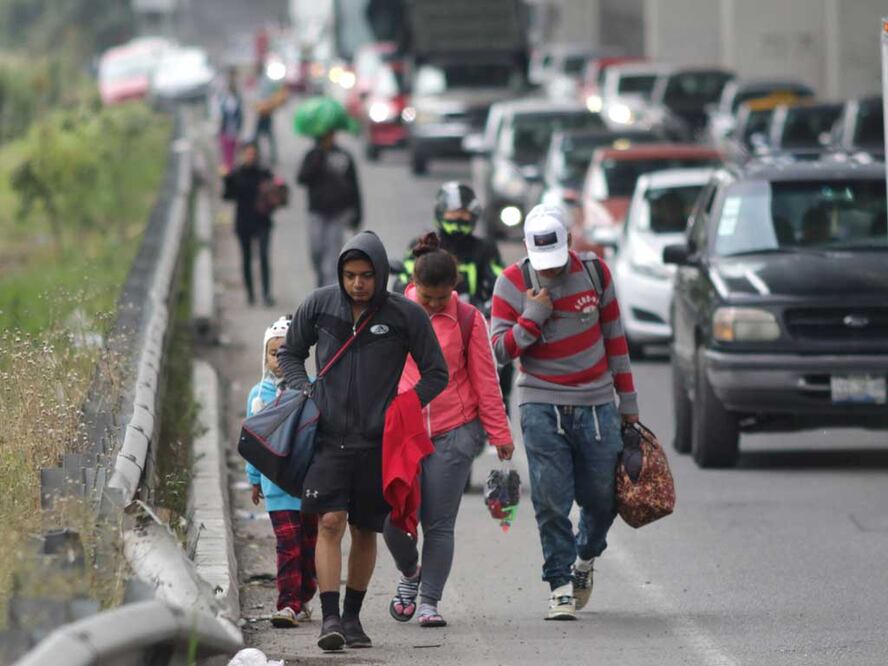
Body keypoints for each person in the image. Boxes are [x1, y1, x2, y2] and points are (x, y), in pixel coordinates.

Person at [276, 231, 448, 652]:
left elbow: (436, 373)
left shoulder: (406, 315)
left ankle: (352, 617)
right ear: (341, 274)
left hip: (377, 445)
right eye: (350, 275)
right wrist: (305, 390)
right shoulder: (320, 305)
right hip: (327, 438)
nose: (357, 284)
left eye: (367, 276)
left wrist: (403, 407)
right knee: (330, 522)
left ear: (381, 274)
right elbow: (290, 353)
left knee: (365, 529)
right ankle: (330, 618)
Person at [489, 205, 640, 621]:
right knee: (551, 500)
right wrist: (532, 317)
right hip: (540, 404)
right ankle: (559, 585)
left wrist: (629, 406)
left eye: (556, 259)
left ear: (569, 242)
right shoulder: (511, 283)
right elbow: (498, 351)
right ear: (526, 248)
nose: (550, 270)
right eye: (542, 262)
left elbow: (616, 340)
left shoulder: (595, 273)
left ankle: (584, 558)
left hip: (597, 405)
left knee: (603, 498)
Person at [383, 233, 514, 629]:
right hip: (403, 434)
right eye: (428, 297)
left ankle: (429, 602)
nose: (436, 305)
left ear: (454, 287)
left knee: (438, 524)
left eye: (443, 298)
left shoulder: (469, 319)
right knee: (393, 518)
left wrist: (499, 433)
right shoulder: (394, 313)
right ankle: (410, 572)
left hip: (453, 432)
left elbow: (486, 381)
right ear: (415, 285)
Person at [396, 182, 512, 410]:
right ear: (440, 213)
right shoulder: (422, 245)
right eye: (453, 216)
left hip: (475, 318)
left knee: (502, 350)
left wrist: (494, 305)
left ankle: (502, 402)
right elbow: (403, 281)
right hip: (429, 319)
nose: (459, 221)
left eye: (464, 216)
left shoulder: (485, 248)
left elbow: (501, 283)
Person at [244, 316, 318, 628]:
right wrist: (254, 479)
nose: (279, 360)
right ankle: (287, 603)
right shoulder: (258, 395)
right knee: (288, 546)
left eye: (286, 353)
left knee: (309, 547)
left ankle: (304, 594)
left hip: (307, 485)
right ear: (265, 356)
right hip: (275, 486)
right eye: (274, 353)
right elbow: (253, 441)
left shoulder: (312, 390)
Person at [297, 130, 363, 288]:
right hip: (317, 212)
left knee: (334, 255)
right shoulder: (312, 155)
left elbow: (354, 185)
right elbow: (302, 178)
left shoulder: (344, 156)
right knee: (316, 249)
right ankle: (320, 276)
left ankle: (329, 289)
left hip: (338, 213)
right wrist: (317, 159)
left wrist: (357, 213)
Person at [223, 142, 276, 307]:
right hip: (244, 221)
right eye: (248, 154)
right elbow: (228, 196)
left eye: (253, 154)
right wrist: (227, 180)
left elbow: (275, 197)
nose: (250, 157)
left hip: (262, 221)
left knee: (264, 257)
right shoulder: (236, 174)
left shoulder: (264, 173)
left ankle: (266, 293)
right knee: (246, 258)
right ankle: (250, 293)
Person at [253, 62, 283, 164]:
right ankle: (263, 155)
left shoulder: (266, 80)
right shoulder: (262, 80)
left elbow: (274, 93)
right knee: (265, 135)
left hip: (266, 112)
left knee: (265, 135)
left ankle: (267, 156)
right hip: (262, 111)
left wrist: (268, 104)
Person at [218, 68, 243, 172]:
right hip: (227, 128)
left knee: (232, 149)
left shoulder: (235, 99)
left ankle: (231, 167)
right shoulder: (226, 98)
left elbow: (238, 115)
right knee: (227, 150)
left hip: (232, 128)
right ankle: (229, 167)